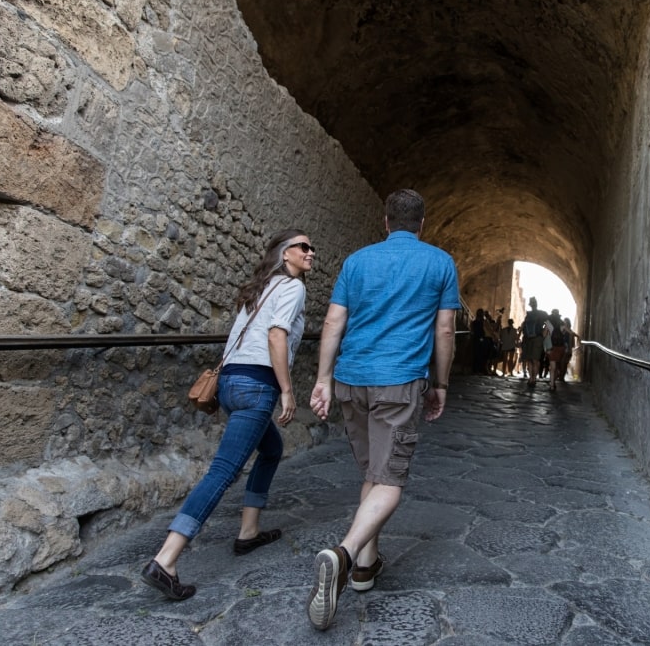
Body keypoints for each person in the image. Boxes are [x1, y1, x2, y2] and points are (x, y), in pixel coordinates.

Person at [307, 189, 460, 631]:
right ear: (423, 224)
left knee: (374, 474)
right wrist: (442, 383)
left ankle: (365, 568)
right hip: (399, 380)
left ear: (386, 221)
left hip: (352, 379)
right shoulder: (439, 262)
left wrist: (323, 378)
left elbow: (334, 321)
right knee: (391, 481)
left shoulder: (356, 261)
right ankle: (345, 553)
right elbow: (445, 328)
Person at [141, 229, 313, 600]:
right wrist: (286, 390)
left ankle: (248, 532)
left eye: (311, 247)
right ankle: (166, 559)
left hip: (232, 382)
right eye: (303, 246)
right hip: (257, 385)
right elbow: (276, 336)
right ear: (285, 254)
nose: (310, 252)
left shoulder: (260, 289)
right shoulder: (292, 288)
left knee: (270, 450)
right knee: (223, 471)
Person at [520, 297, 548, 388]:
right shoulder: (542, 314)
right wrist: (544, 332)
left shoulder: (529, 314)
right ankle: (534, 379)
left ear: (531, 305)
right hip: (537, 338)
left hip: (528, 339)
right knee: (535, 360)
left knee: (530, 360)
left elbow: (523, 325)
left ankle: (531, 379)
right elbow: (549, 323)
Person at [546, 309, 566, 391]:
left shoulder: (548, 323)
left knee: (552, 367)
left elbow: (544, 334)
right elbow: (566, 333)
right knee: (557, 367)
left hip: (551, 346)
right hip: (560, 347)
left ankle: (551, 385)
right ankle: (553, 382)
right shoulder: (562, 323)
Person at [559, 317, 580, 381]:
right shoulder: (563, 328)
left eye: (566, 322)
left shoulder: (568, 330)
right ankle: (561, 376)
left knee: (564, 363)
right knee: (563, 363)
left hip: (567, 348)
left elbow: (574, 334)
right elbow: (573, 334)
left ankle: (562, 376)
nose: (565, 323)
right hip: (563, 348)